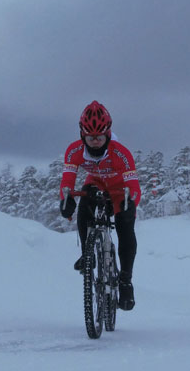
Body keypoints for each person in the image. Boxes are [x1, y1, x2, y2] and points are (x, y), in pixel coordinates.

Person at [59, 100, 141, 311]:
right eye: (90, 137)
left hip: (118, 189)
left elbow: (133, 185)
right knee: (84, 203)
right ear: (82, 136)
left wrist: (130, 203)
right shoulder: (73, 151)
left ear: (108, 134)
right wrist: (66, 200)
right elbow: (67, 182)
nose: (95, 142)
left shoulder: (120, 152)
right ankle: (88, 254)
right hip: (94, 184)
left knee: (125, 226)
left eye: (100, 137)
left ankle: (125, 280)